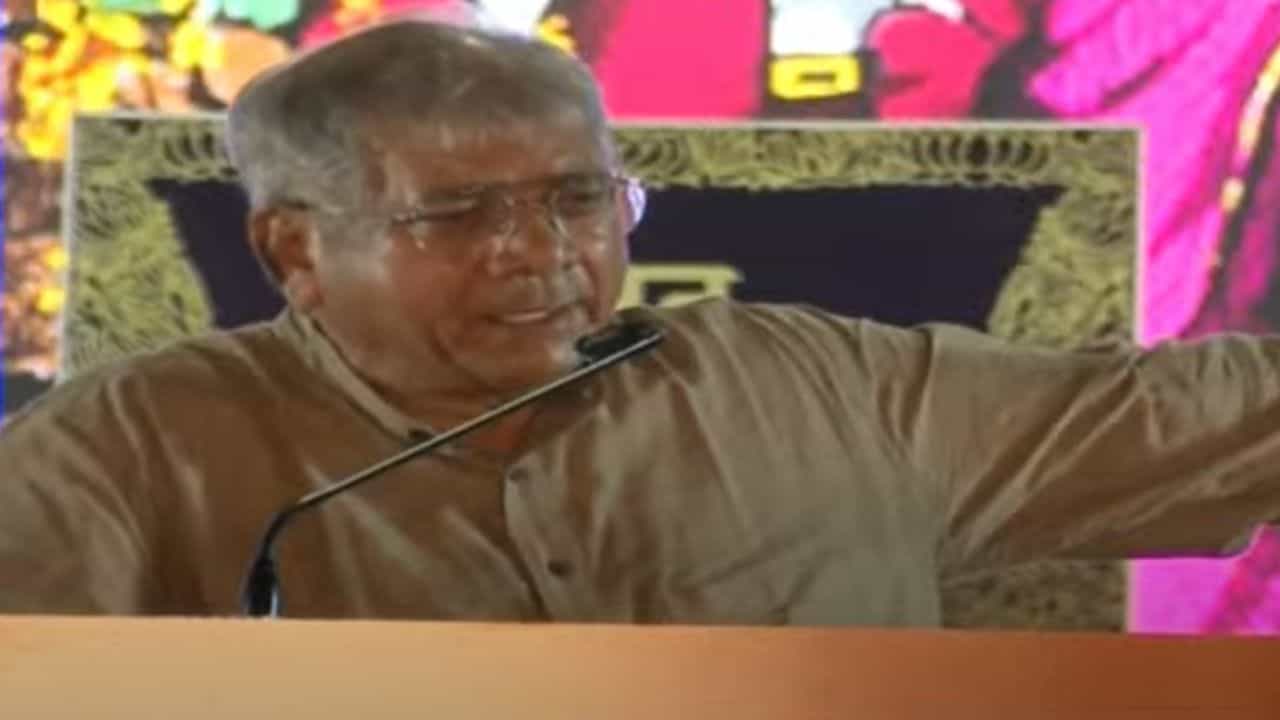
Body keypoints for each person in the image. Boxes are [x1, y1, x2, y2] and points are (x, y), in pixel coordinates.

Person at [1, 18, 1278, 623]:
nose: (539, 252)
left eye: (576, 200)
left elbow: (1194, 419)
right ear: (294, 248)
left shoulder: (812, 387)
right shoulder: (135, 444)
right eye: (456, 214)